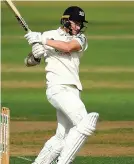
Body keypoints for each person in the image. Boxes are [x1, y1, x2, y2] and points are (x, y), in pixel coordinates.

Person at [24, 6, 99, 164]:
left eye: (80, 24)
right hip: (57, 88)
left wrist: (43, 40)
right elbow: (28, 62)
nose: (78, 27)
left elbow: (68, 47)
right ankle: (64, 162)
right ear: (66, 20)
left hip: (73, 90)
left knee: (62, 136)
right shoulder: (49, 35)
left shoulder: (80, 39)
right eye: (75, 23)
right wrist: (35, 56)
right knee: (85, 122)